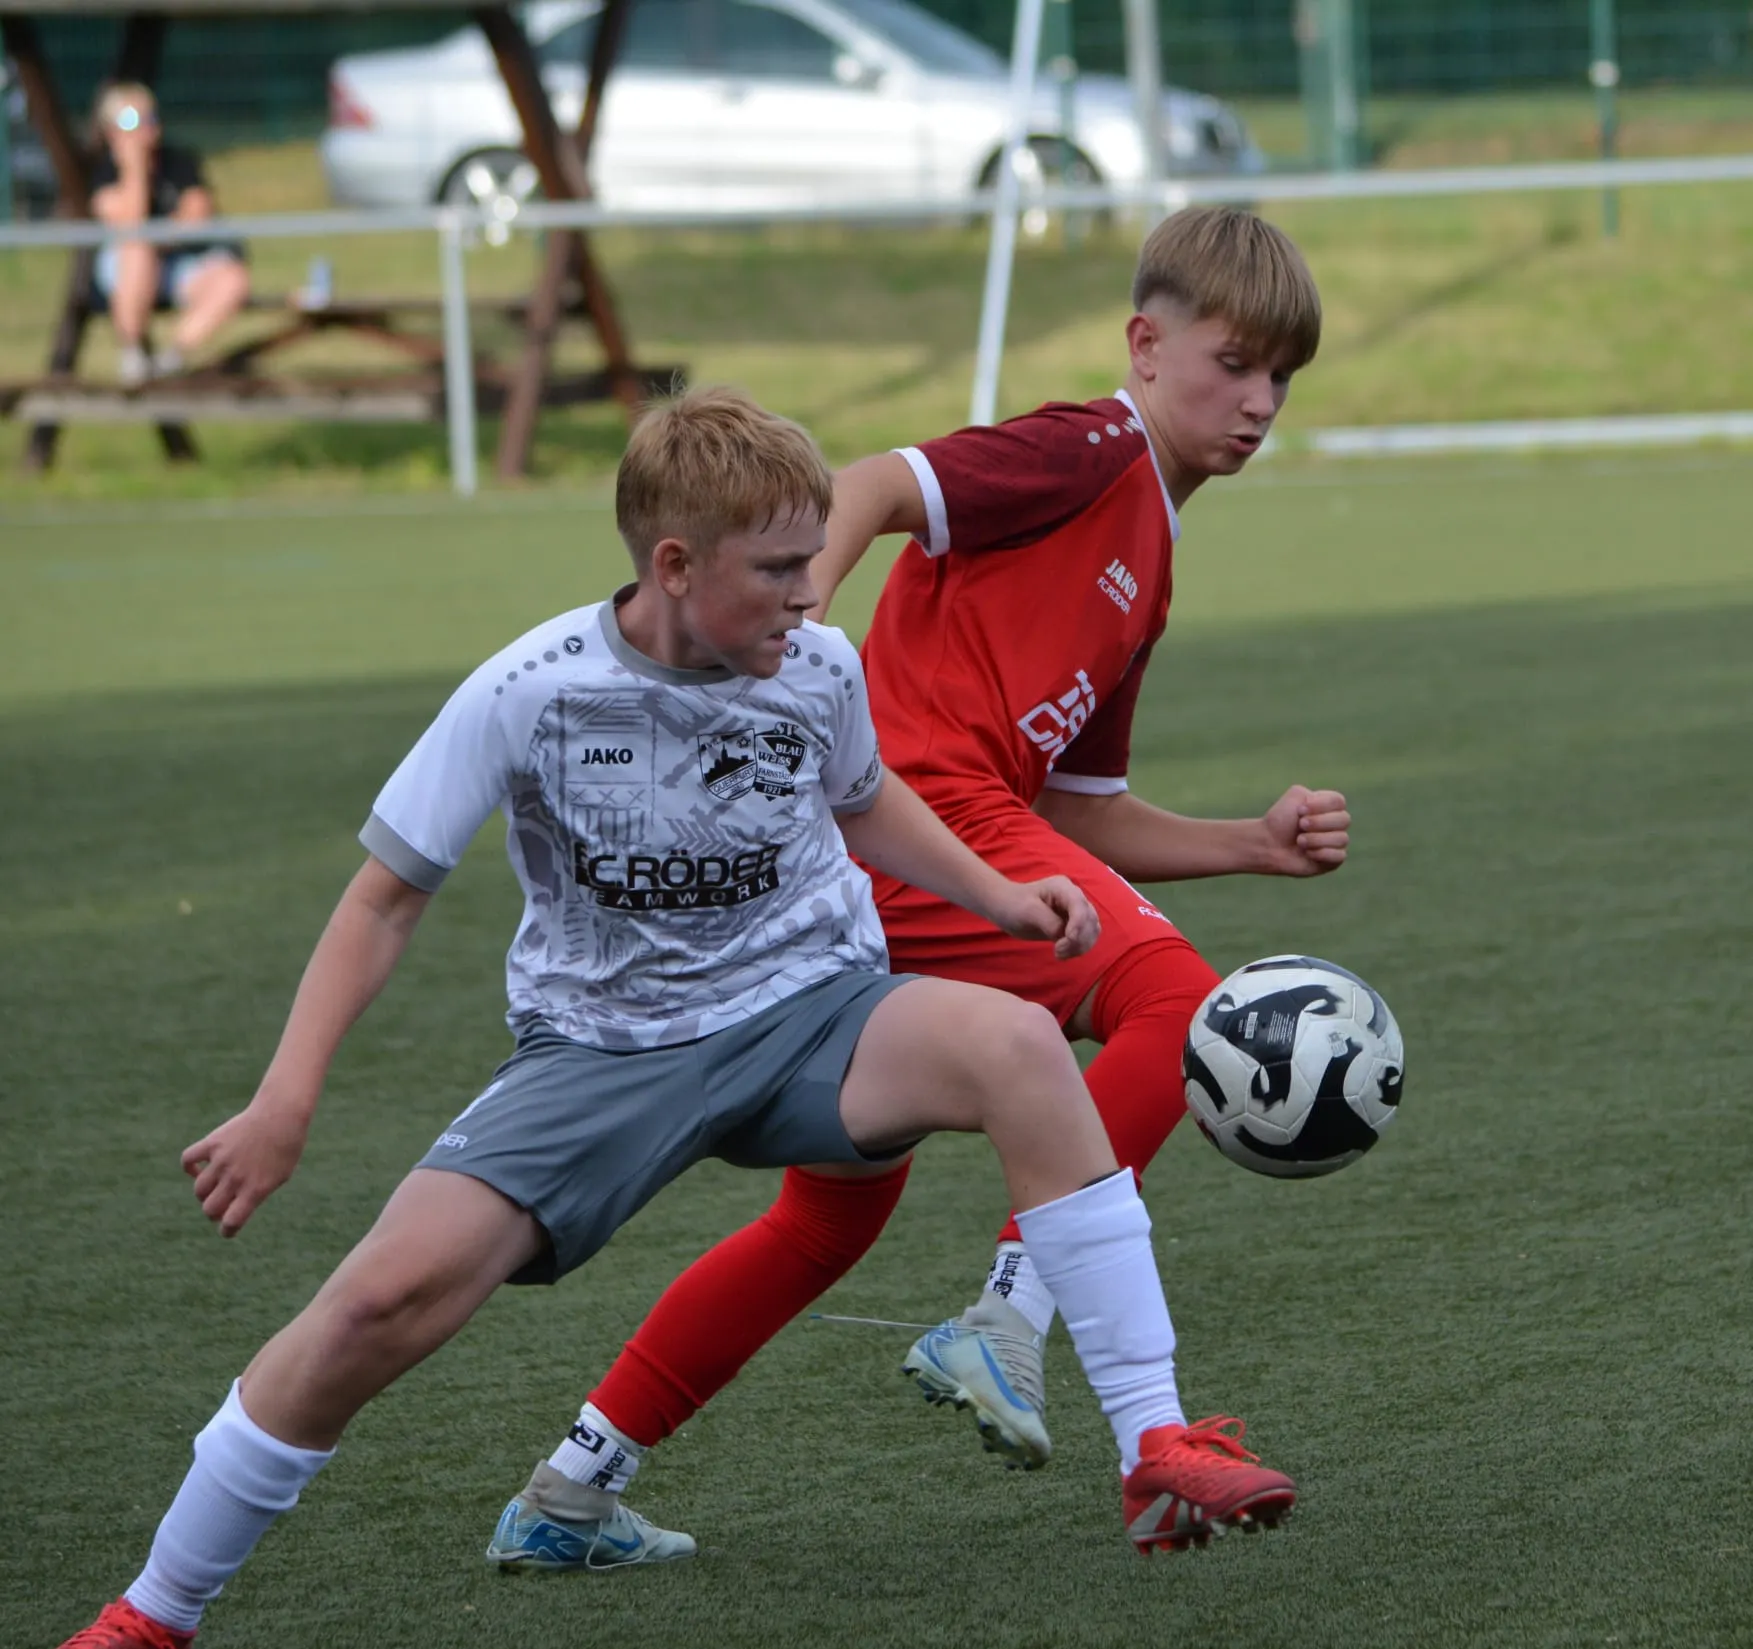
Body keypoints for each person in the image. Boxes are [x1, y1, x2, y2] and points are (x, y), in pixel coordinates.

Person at [29, 387, 1291, 1649]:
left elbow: (864, 803)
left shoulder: (818, 666)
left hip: (813, 1009)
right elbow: (382, 902)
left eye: (813, 559)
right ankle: (153, 1610)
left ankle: (1154, 1443)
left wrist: (995, 896)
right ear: (675, 565)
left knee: (1019, 1046)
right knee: (377, 1305)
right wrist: (285, 1101)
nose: (812, 591)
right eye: (779, 568)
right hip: (601, 1053)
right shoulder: (529, 690)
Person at [501, 207, 1347, 1516]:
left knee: (830, 1217)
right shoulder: (1088, 449)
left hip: (916, 851)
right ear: (1144, 345)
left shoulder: (1150, 561)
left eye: (1279, 377)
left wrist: (1248, 844)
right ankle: (1008, 1315)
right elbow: (879, 485)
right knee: (1179, 1005)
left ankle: (574, 1482)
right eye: (1232, 363)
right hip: (913, 810)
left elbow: (1075, 813)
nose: (1257, 402)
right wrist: (796, 629)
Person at [89, 82, 250, 387]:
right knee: (137, 251)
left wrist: (159, 237)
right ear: (111, 131)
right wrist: (135, 169)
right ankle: (133, 354)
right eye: (131, 120)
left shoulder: (178, 161)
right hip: (125, 269)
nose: (146, 127)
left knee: (232, 278)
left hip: (177, 264)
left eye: (150, 117)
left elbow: (197, 214)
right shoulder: (104, 172)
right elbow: (131, 222)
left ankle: (170, 359)